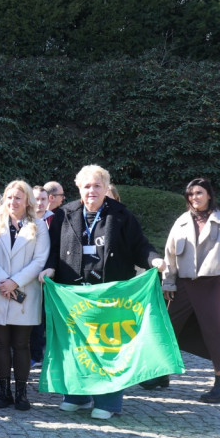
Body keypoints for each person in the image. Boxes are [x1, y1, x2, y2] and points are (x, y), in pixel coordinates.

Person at [40, 165, 164, 420]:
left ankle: (108, 401)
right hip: (74, 295)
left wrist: (154, 260)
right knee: (75, 345)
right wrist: (49, 267)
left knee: (108, 347)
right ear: (78, 188)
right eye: (87, 186)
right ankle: (76, 395)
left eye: (97, 185)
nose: (92, 190)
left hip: (111, 294)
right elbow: (52, 248)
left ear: (106, 188)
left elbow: (140, 245)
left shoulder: (121, 215)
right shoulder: (64, 214)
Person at [158, 178, 220, 402]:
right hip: (182, 284)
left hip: (211, 284)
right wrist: (168, 283)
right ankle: (160, 373)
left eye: (199, 193)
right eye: (190, 194)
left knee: (214, 331)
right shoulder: (181, 222)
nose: (194, 198)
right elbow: (170, 255)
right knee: (168, 327)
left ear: (209, 194)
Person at [0, 181, 50, 411]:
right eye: (9, 197)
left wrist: (15, 282)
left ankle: (21, 394)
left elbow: (40, 259)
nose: (13, 202)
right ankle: (4, 392)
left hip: (25, 292)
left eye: (18, 198)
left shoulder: (38, 225)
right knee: (0, 344)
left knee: (21, 345)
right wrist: (3, 281)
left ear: (27, 200)